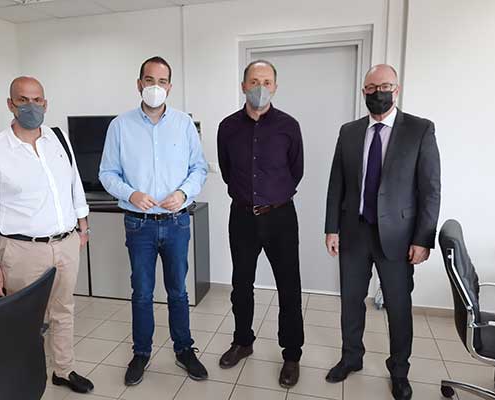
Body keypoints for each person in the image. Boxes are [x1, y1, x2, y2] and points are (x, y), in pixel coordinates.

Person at [324, 64, 441, 400]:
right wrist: (331, 228)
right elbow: (337, 183)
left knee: (398, 307)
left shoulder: (419, 129)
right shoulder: (349, 131)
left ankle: (399, 370)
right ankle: (351, 357)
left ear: (397, 89)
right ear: (363, 92)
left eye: (385, 86)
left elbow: (430, 189)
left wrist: (423, 239)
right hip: (354, 231)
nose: (378, 93)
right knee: (351, 301)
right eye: (371, 88)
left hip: (399, 238)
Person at [0, 76, 94, 393]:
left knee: (63, 310)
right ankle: (23, 379)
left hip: (65, 243)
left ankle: (63, 370)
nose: (31, 106)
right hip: (22, 251)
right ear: (10, 104)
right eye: (23, 100)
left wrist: (82, 227)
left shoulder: (59, 139)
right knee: (25, 319)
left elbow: (74, 185)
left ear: (45, 103)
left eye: (37, 100)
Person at [99, 56, 208, 386]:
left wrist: (183, 192)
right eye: (149, 80)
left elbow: (199, 168)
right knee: (142, 293)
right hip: (139, 224)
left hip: (176, 222)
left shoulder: (184, 124)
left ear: (170, 87)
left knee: (178, 291)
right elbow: (107, 173)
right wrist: (131, 193)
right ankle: (141, 353)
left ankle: (184, 350)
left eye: (162, 81)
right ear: (139, 84)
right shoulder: (120, 126)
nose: (155, 87)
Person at [217, 60, 304, 388]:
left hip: (280, 216)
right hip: (242, 216)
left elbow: (296, 170)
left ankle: (291, 354)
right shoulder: (227, 127)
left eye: (267, 82)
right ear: (243, 86)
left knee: (289, 287)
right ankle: (243, 341)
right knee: (241, 284)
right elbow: (226, 170)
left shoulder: (289, 126)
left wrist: (273, 195)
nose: (260, 88)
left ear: (275, 87)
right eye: (254, 81)